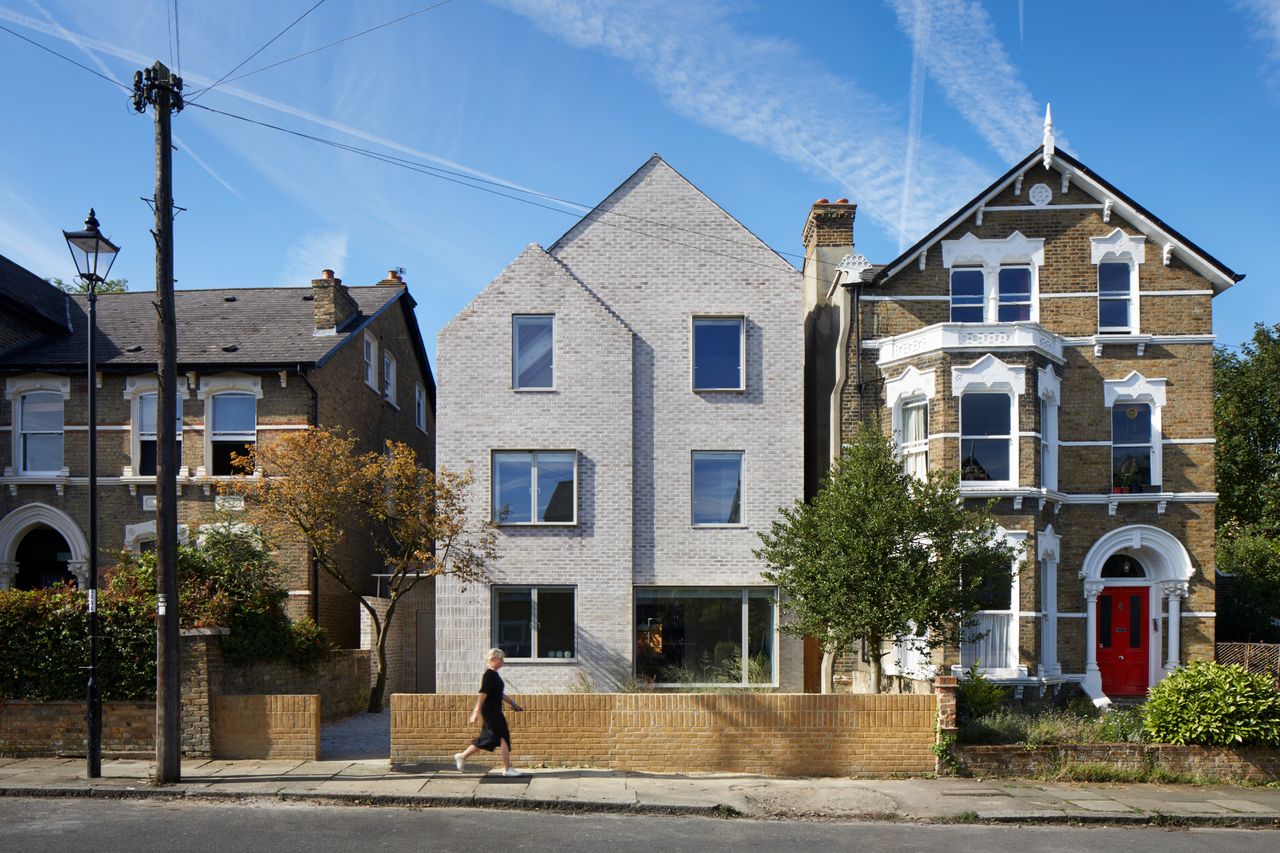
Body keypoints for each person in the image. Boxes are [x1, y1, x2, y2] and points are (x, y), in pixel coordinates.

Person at [454, 648, 523, 776]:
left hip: (494, 710)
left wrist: (513, 704)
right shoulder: (489, 675)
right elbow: (482, 694)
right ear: (493, 659)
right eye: (500, 659)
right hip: (491, 712)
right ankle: (507, 769)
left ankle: (462, 756)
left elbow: (499, 694)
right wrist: (475, 712)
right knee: (503, 736)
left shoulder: (494, 675)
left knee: (489, 738)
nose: (503, 661)